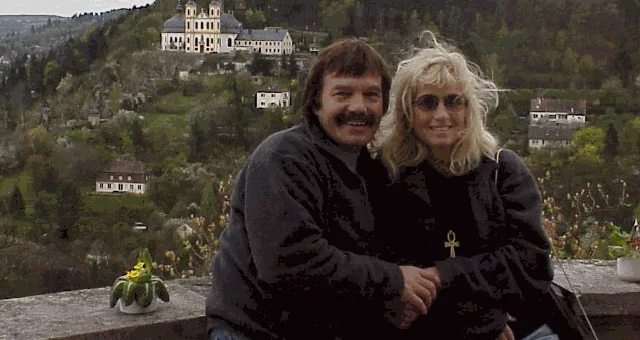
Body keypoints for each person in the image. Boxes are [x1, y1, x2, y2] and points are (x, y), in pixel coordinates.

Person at [205, 38, 440, 340]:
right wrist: (393, 280)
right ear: (316, 103)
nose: (358, 107)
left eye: (371, 95)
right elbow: (290, 263)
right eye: (343, 94)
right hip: (258, 331)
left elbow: (376, 252)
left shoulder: (370, 170)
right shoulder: (284, 158)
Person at [371, 31, 556, 340]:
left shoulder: (503, 171)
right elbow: (389, 272)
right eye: (427, 103)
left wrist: (445, 275)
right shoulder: (388, 176)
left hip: (523, 330)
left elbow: (532, 264)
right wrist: (479, 321)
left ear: (469, 108)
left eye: (453, 101)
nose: (441, 114)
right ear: (407, 111)